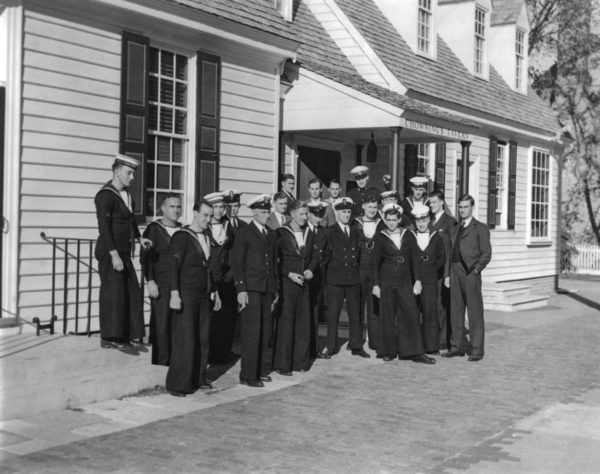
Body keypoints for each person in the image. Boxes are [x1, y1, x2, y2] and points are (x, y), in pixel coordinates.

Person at [94, 154, 152, 350]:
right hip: (111, 252)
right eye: (129, 173)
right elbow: (104, 227)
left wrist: (138, 237)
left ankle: (125, 335)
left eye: (133, 173)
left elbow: (130, 220)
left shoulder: (126, 195)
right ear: (117, 171)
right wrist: (113, 254)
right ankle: (109, 337)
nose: (132, 177)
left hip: (124, 251)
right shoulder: (105, 195)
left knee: (129, 292)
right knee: (113, 293)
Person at [167, 200, 221, 396]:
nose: (208, 219)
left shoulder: (206, 235)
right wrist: (174, 293)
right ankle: (178, 383)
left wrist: (214, 291)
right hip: (186, 294)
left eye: (210, 215)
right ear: (195, 214)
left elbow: (209, 265)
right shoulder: (182, 236)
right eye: (205, 215)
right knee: (186, 338)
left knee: (202, 338)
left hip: (204, 294)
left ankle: (199, 378)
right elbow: (173, 266)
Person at [371, 203, 435, 364]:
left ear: (400, 219)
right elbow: (374, 263)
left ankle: (414, 352)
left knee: (411, 314)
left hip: (405, 281)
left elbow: (415, 259)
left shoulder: (408, 235)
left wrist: (418, 280)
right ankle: (388, 351)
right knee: (387, 316)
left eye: (394, 219)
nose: (391, 222)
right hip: (387, 282)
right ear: (384, 220)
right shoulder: (380, 237)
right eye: (388, 220)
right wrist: (376, 285)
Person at [231, 194, 279, 387]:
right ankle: (248, 375)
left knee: (265, 332)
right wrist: (241, 289)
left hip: (267, 288)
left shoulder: (271, 234)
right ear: (253, 213)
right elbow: (237, 262)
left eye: (268, 211)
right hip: (251, 289)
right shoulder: (244, 233)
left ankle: (259, 370)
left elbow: (273, 263)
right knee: (252, 332)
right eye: (263, 212)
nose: (267, 215)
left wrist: (275, 290)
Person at [442, 194, 491, 362]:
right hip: (454, 271)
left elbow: (486, 253)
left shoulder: (480, 228)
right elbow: (449, 252)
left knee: (474, 312)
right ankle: (456, 347)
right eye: (460, 207)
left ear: (472, 208)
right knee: (455, 312)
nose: (462, 210)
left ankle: (477, 350)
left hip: (470, 273)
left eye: (465, 207)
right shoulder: (455, 227)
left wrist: (476, 270)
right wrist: (447, 274)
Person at [319, 197, 369, 359]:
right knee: (333, 314)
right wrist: (326, 279)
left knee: (355, 313)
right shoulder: (329, 231)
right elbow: (324, 256)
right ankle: (331, 346)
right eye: (343, 212)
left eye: (348, 212)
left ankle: (356, 345)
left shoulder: (356, 231)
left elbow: (360, 255)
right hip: (335, 279)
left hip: (353, 278)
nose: (347, 215)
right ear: (337, 212)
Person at [273, 201, 319, 375]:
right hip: (288, 285)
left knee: (302, 323)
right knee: (286, 323)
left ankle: (300, 362)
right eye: (301, 214)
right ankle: (283, 364)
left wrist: (310, 270)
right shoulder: (281, 233)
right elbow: (275, 261)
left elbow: (315, 256)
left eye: (306, 213)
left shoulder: (310, 232)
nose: (305, 217)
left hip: (304, 285)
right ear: (292, 214)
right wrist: (289, 274)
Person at [141, 193, 182, 365]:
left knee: (177, 325)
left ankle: (175, 363)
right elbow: (145, 257)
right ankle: (159, 365)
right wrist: (150, 281)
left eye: (178, 207)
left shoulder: (183, 230)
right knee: (161, 326)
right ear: (163, 208)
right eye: (172, 207)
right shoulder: (154, 229)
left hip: (179, 285)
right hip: (161, 284)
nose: (176, 210)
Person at [204, 191, 237, 364]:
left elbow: (233, 250)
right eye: (215, 207)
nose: (218, 210)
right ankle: (210, 354)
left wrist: (231, 272)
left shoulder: (227, 225)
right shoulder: (205, 225)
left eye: (221, 207)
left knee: (227, 318)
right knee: (211, 319)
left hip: (227, 279)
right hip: (212, 278)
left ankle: (223, 353)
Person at [412, 202, 446, 355]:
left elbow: (442, 258)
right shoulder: (410, 236)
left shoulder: (436, 236)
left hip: (430, 280)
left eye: (424, 220)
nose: (421, 224)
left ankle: (431, 347)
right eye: (418, 221)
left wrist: (432, 268)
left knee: (430, 313)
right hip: (413, 280)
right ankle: (415, 346)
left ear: (429, 221)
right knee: (413, 312)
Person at [352, 195, 383, 352]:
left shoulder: (381, 223)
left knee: (374, 307)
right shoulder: (355, 223)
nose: (372, 210)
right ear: (363, 206)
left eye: (374, 207)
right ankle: (356, 342)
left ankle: (374, 341)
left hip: (375, 270)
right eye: (369, 206)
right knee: (358, 306)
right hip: (359, 269)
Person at [428, 191, 458, 350]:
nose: (431, 205)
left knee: (442, 307)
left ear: (442, 203)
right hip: (430, 272)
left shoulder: (449, 222)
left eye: (434, 202)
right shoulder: (429, 221)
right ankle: (433, 339)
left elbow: (451, 250)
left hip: (442, 272)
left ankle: (443, 341)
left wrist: (448, 274)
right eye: (430, 203)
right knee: (431, 306)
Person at [307, 201, 328, 358]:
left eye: (321, 215)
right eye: (315, 215)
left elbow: (326, 255)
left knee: (315, 315)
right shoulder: (303, 230)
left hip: (318, 279)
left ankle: (313, 349)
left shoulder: (323, 232)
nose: (318, 219)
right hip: (305, 278)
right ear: (309, 214)